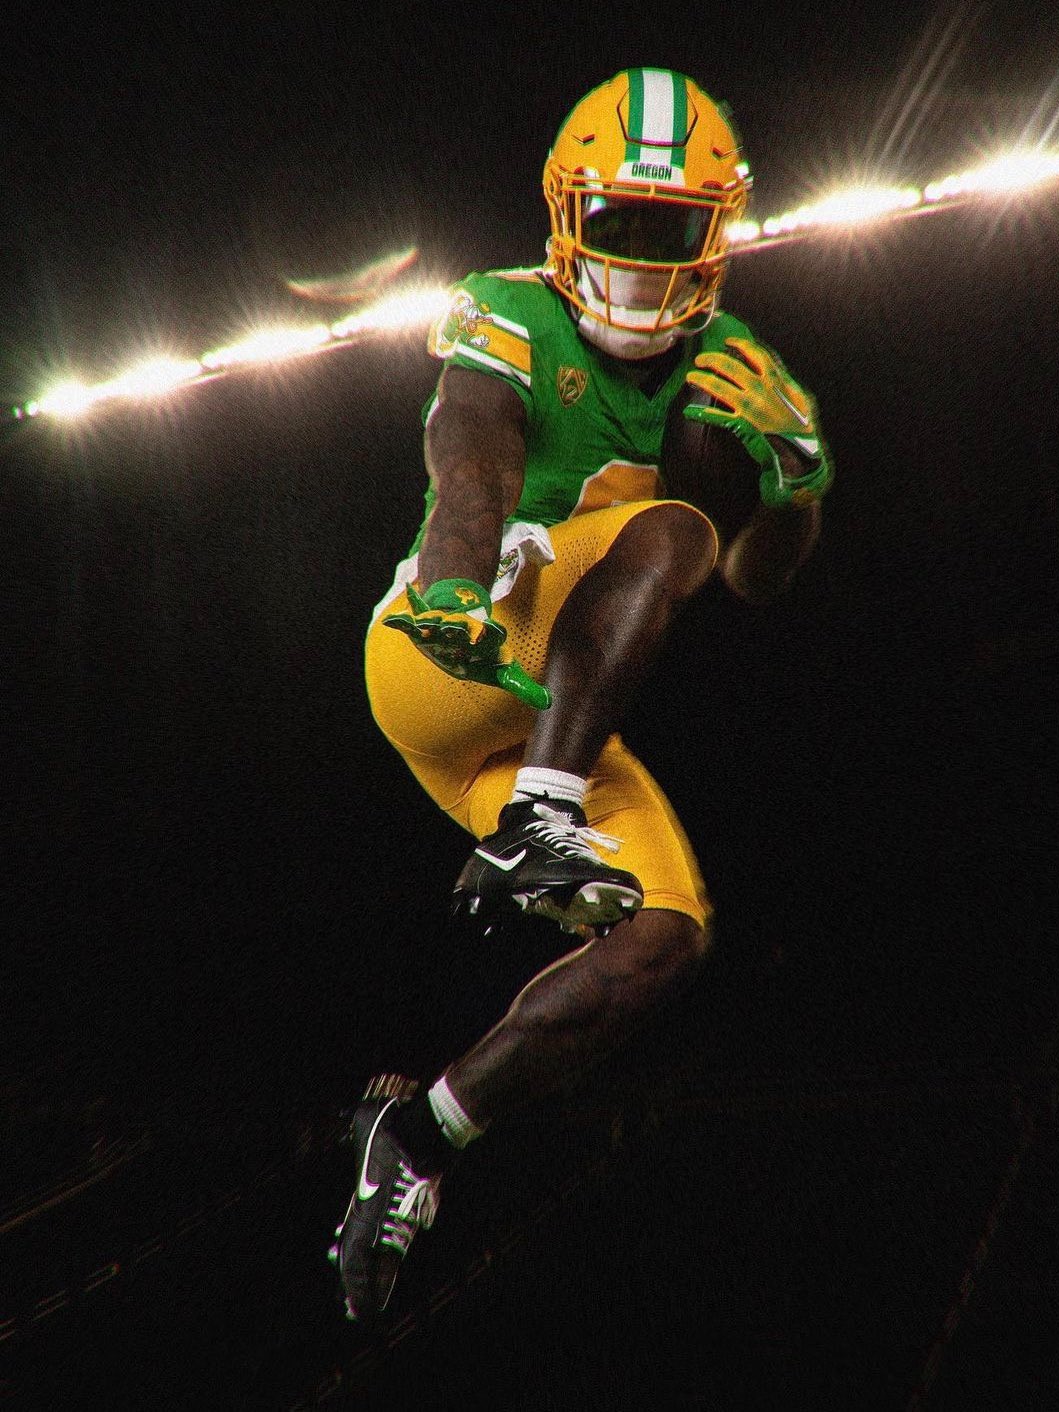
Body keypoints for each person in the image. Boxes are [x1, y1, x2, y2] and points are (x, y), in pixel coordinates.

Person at [329, 67, 833, 1321]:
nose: (645, 257)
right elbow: (472, 464)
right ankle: (540, 822)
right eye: (621, 221)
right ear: (566, 215)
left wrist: (798, 481)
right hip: (444, 657)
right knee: (669, 526)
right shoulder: (505, 308)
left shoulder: (735, 361)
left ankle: (420, 1139)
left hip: (547, 712)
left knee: (666, 937)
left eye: (672, 228)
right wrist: (453, 584)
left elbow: (762, 578)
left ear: (717, 233)